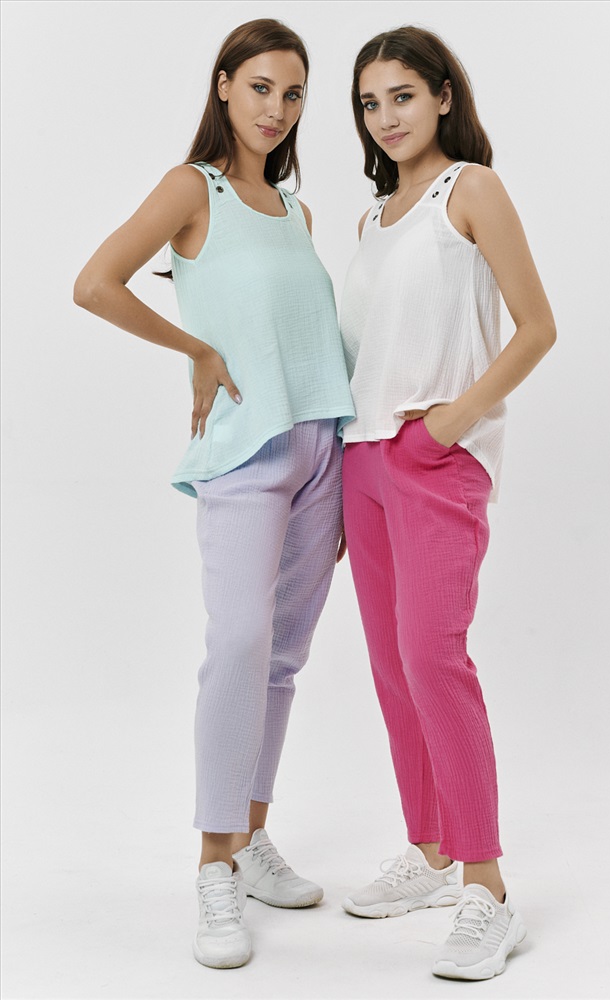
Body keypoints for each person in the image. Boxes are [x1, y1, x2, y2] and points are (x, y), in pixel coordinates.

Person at [73, 18, 354, 970]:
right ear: (224, 84)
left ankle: (253, 836)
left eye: (293, 94)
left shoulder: (297, 213)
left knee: (282, 657)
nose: (276, 109)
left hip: (323, 450)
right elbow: (95, 284)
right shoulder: (191, 189)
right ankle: (213, 865)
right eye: (260, 87)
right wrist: (194, 348)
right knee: (237, 644)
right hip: (244, 451)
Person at [339, 26, 556, 981]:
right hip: (362, 463)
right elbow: (362, 353)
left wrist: (452, 421)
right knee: (393, 669)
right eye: (369, 102)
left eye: (401, 96)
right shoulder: (370, 220)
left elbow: (536, 326)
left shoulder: (470, 190)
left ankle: (487, 889)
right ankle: (429, 854)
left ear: (441, 96)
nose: (385, 117)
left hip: (436, 459)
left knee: (434, 659)